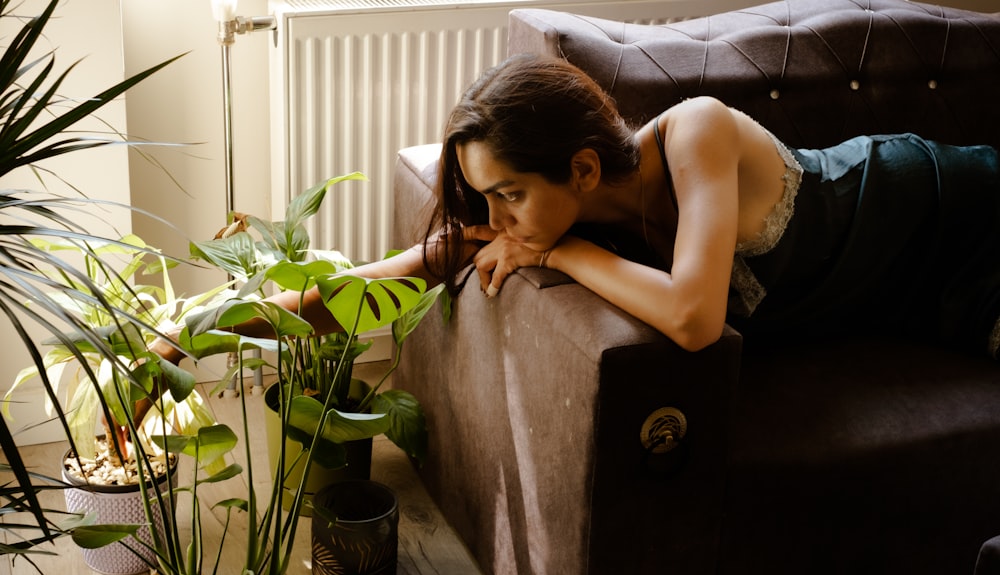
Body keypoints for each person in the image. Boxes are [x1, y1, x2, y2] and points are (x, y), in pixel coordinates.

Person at [154, 52, 1000, 370]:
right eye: (489, 198)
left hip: (955, 208)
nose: (499, 220)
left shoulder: (697, 132)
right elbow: (380, 282)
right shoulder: (557, 211)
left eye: (510, 194)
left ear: (585, 165)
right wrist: (203, 323)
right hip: (921, 298)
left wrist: (558, 257)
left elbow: (696, 320)